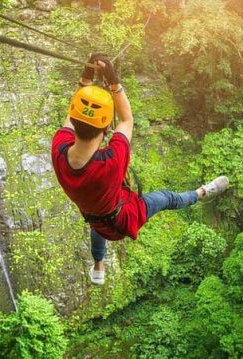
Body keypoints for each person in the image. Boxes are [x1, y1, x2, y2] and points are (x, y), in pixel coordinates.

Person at [51, 54, 229, 285]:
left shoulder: (59, 150)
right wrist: (112, 80)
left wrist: (87, 81)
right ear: (106, 128)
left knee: (99, 228)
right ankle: (203, 192)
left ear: (74, 122)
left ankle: (98, 265)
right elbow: (126, 120)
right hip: (124, 218)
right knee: (166, 198)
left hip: (94, 215)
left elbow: (74, 116)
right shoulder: (110, 162)